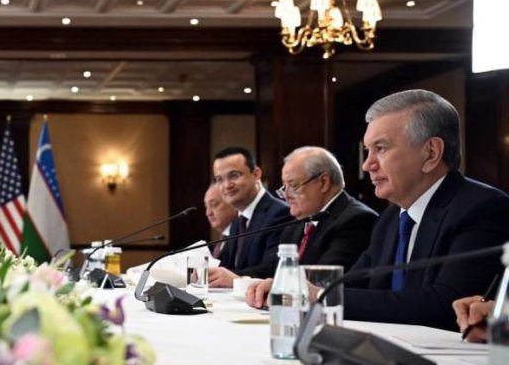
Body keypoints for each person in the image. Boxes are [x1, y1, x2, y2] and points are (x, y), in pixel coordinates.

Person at [253, 90, 509, 331]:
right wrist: (290, 287)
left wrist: (319, 295)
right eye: (368, 151)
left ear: (431, 153)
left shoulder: (481, 209)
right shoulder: (391, 218)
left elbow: (442, 305)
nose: (367, 165)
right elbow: (352, 283)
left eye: (381, 148)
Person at [243, 147, 378, 305]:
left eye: (293, 186)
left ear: (323, 182)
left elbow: (323, 281)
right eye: (284, 188)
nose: (286, 196)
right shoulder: (297, 224)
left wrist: (281, 287)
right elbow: (273, 272)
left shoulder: (356, 220)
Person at [207, 146, 291, 286]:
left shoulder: (280, 213)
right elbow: (227, 267)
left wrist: (235, 279)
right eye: (219, 179)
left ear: (256, 174)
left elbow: (272, 270)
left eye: (234, 175)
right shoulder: (238, 219)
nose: (227, 185)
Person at [203, 183, 237, 259]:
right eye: (206, 207)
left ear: (233, 203)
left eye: (214, 204)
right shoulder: (222, 240)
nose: (208, 213)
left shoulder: (241, 238)